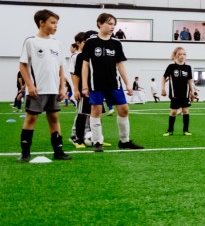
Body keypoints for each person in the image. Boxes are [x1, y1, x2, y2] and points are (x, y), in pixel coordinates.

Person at [81, 12, 144, 152]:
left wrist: (127, 83)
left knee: (124, 109)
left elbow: (120, 64)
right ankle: (97, 142)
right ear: (99, 23)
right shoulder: (91, 42)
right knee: (96, 110)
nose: (112, 27)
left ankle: (124, 141)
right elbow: (85, 65)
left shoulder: (116, 43)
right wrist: (84, 85)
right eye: (109, 23)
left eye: (114, 24)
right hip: (95, 83)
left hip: (114, 83)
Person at [16, 9, 72, 162]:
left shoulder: (57, 43)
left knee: (54, 118)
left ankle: (58, 151)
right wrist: (30, 85)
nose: (56, 26)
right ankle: (25, 153)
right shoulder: (31, 42)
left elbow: (61, 67)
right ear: (42, 23)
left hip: (54, 89)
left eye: (56, 23)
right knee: (31, 118)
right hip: (37, 90)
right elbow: (23, 66)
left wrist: (62, 87)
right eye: (53, 23)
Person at [162, 47, 195, 136]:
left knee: (185, 110)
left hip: (185, 93)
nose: (182, 56)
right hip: (174, 94)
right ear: (175, 55)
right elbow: (164, 77)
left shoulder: (188, 67)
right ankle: (170, 131)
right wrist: (163, 88)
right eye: (179, 54)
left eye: (184, 54)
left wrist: (192, 92)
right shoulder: (171, 67)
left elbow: (190, 80)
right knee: (173, 112)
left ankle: (186, 130)